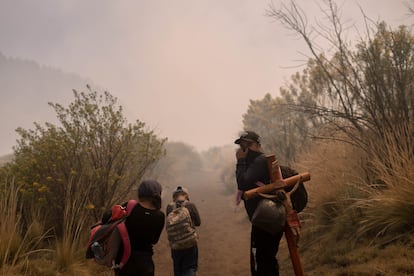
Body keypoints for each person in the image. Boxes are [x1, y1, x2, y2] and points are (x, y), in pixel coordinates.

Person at [234, 130, 285, 276]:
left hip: (267, 217)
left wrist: (240, 161)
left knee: (263, 261)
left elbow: (242, 182)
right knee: (263, 259)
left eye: (248, 145)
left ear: (258, 146)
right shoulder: (253, 162)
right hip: (262, 218)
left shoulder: (260, 160)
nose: (244, 149)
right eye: (242, 146)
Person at [115, 179, 165, 276]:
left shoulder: (129, 206)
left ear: (140, 193)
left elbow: (110, 217)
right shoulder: (160, 216)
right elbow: (154, 240)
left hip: (124, 259)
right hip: (145, 262)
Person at [166, 186, 201, 276]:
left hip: (175, 245)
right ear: (186, 195)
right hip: (190, 243)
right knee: (190, 268)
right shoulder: (190, 205)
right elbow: (198, 223)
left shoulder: (170, 207)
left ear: (174, 197)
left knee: (178, 269)